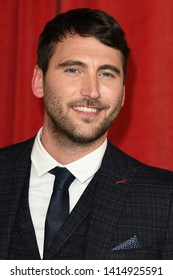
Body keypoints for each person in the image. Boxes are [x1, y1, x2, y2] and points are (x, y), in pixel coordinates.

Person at [0, 8, 173, 260]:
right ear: (39, 80)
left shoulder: (165, 199)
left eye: (106, 74)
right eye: (73, 70)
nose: (92, 91)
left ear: (123, 94)